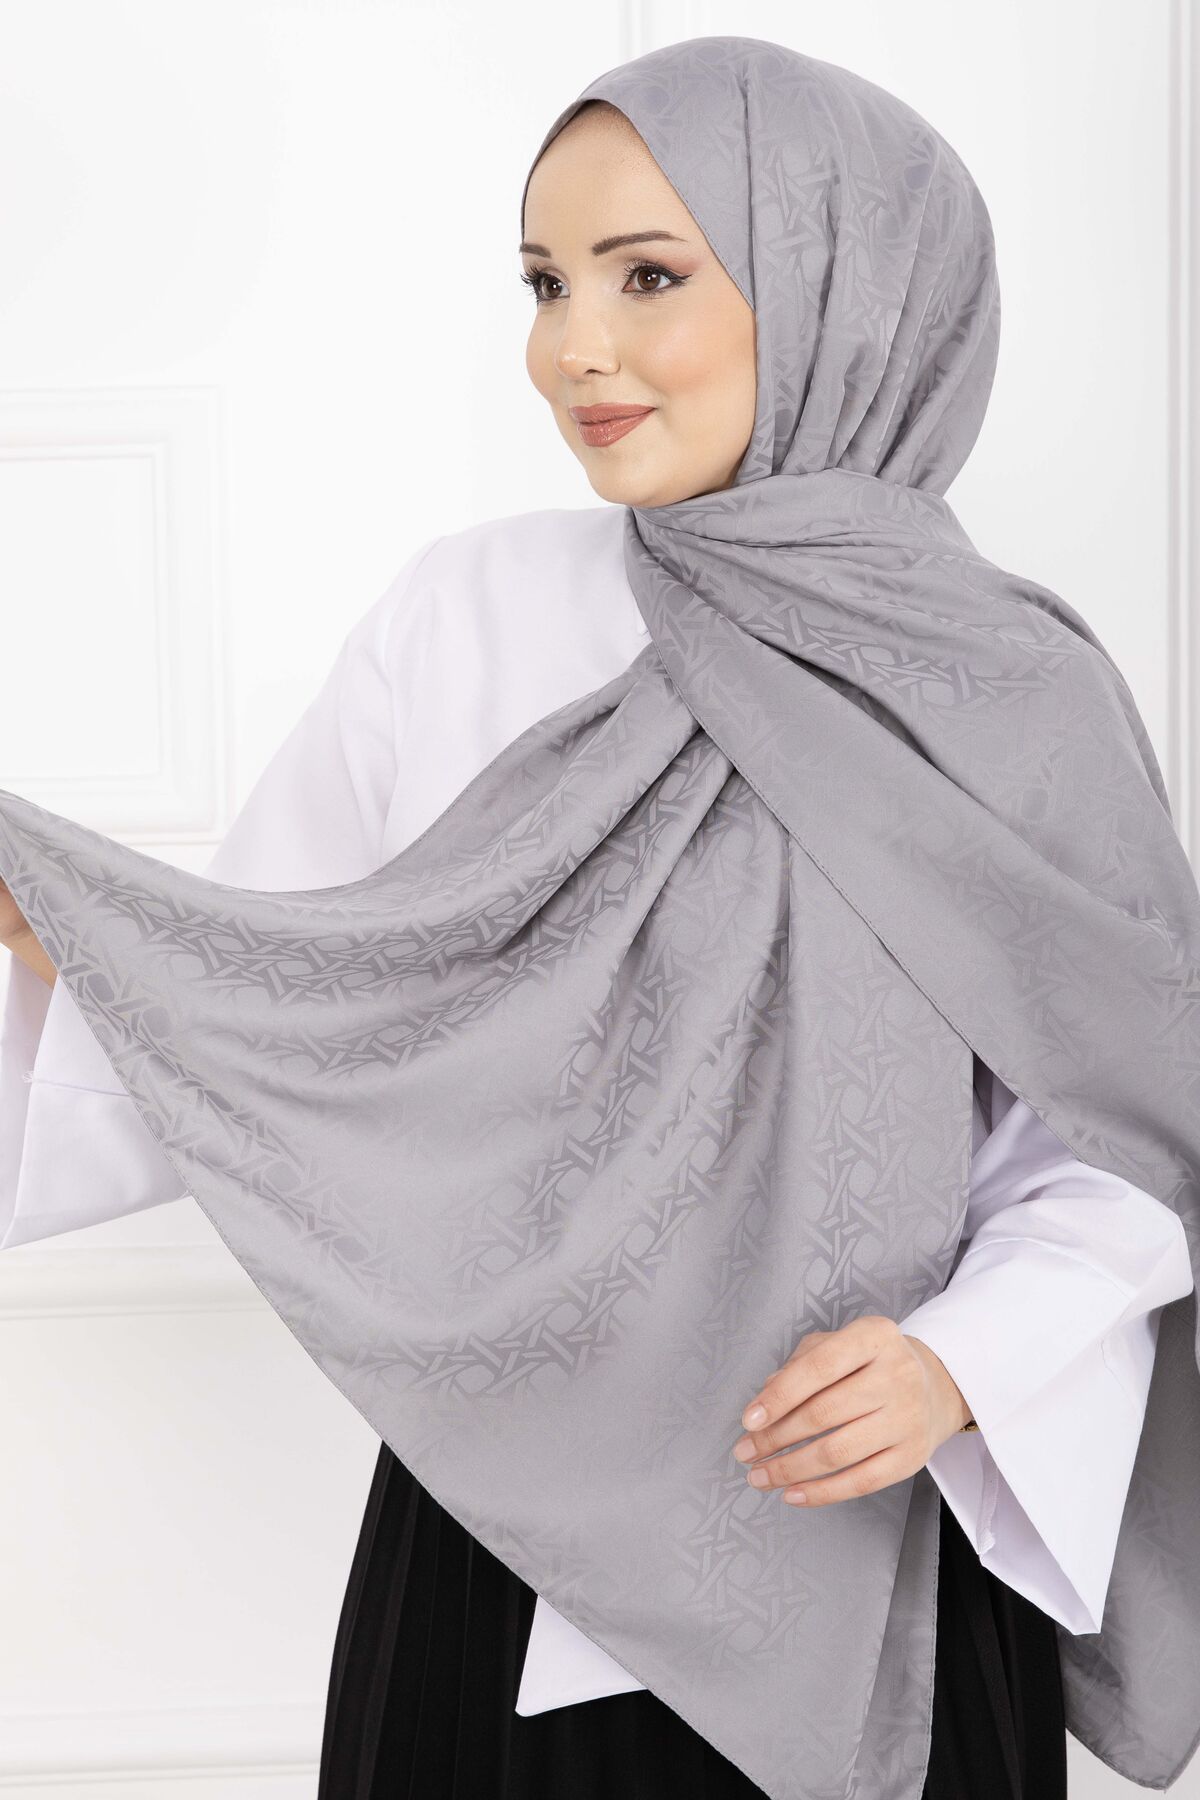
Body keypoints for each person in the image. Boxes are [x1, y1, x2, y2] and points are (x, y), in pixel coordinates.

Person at [1, 35, 1197, 1800]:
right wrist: (77, 930)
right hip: (510, 1531)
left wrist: (964, 1364)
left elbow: (1131, 1132)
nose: (573, 347)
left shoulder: (1012, 696)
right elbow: (280, 1020)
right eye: (546, 283)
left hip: (875, 1534)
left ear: (847, 292)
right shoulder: (467, 616)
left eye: (648, 276)